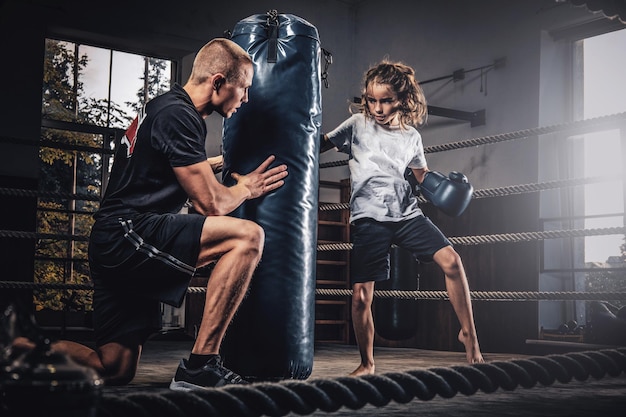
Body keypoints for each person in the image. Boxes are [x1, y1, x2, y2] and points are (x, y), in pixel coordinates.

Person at [14, 38, 288, 389]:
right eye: (244, 88)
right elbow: (212, 204)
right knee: (248, 237)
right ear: (218, 82)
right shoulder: (180, 116)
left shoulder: (163, 107)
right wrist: (246, 188)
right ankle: (201, 367)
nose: (246, 99)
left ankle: (14, 349)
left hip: (113, 240)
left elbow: (168, 166)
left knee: (113, 368)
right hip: (128, 234)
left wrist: (223, 164)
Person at [321, 60, 484, 376]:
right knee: (360, 298)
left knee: (452, 261)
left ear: (403, 100)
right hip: (369, 219)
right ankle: (367, 363)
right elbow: (319, 145)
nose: (377, 108)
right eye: (372, 100)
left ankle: (470, 334)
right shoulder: (356, 125)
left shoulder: (412, 137)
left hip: (407, 214)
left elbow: (422, 176)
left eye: (386, 100)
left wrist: (448, 188)